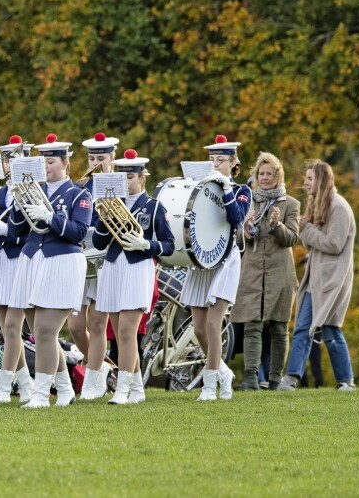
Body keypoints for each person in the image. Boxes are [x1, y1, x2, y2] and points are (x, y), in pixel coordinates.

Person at [8, 134, 91, 408]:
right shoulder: (37, 189)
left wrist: (51, 218)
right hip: (32, 259)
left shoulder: (79, 193)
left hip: (62, 261)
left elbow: (78, 232)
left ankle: (42, 395)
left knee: (44, 331)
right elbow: (16, 229)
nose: (46, 166)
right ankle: (65, 389)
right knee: (42, 332)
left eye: (52, 161)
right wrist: (17, 197)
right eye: (43, 161)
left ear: (65, 162)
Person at [93, 149, 174, 404]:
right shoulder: (111, 204)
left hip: (138, 267)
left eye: (130, 177)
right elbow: (98, 241)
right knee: (119, 334)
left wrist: (146, 244)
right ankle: (137, 389)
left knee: (128, 332)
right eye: (122, 176)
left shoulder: (154, 206)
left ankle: (122, 390)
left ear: (142, 178)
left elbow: (169, 245)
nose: (125, 182)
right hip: (114, 266)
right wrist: (102, 217)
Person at [181, 135, 251, 401]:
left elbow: (236, 219)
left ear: (233, 162)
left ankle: (210, 385)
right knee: (198, 327)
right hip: (202, 259)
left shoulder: (243, 190)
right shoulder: (205, 186)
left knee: (213, 322)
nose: (215, 165)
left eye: (221, 161)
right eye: (212, 160)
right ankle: (223, 371)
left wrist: (228, 190)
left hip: (226, 259)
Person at [279, 160, 356, 391]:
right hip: (316, 280)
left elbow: (334, 244)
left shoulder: (339, 207)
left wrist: (307, 229)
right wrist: (307, 229)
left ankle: (346, 381)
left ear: (321, 180)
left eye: (310, 178)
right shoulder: (320, 205)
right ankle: (291, 379)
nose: (305, 182)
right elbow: (314, 246)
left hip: (333, 282)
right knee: (302, 327)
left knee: (331, 329)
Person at [230, 152, 300, 391]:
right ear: (256, 176)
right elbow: (238, 238)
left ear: (278, 175)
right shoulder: (248, 201)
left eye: (270, 174)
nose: (266, 178)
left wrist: (276, 226)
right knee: (251, 324)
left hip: (280, 273)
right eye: (262, 174)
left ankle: (273, 379)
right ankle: (250, 378)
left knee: (279, 326)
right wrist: (246, 230)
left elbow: (292, 239)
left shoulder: (290, 204)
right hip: (251, 271)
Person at [0, 135, 35, 404]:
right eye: (6, 159)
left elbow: (38, 233)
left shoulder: (34, 191)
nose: (9, 164)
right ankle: (26, 386)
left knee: (14, 328)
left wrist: (9, 233)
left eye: (14, 159)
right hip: (0, 261)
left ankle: (4, 390)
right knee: (7, 330)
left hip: (20, 260)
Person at [76, 132, 119, 400]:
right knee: (76, 325)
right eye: (92, 158)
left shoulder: (119, 183)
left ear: (112, 158)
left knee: (97, 321)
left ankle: (93, 380)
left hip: (105, 256)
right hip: (83, 255)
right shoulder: (82, 187)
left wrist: (108, 179)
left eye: (101, 158)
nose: (95, 162)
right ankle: (102, 366)